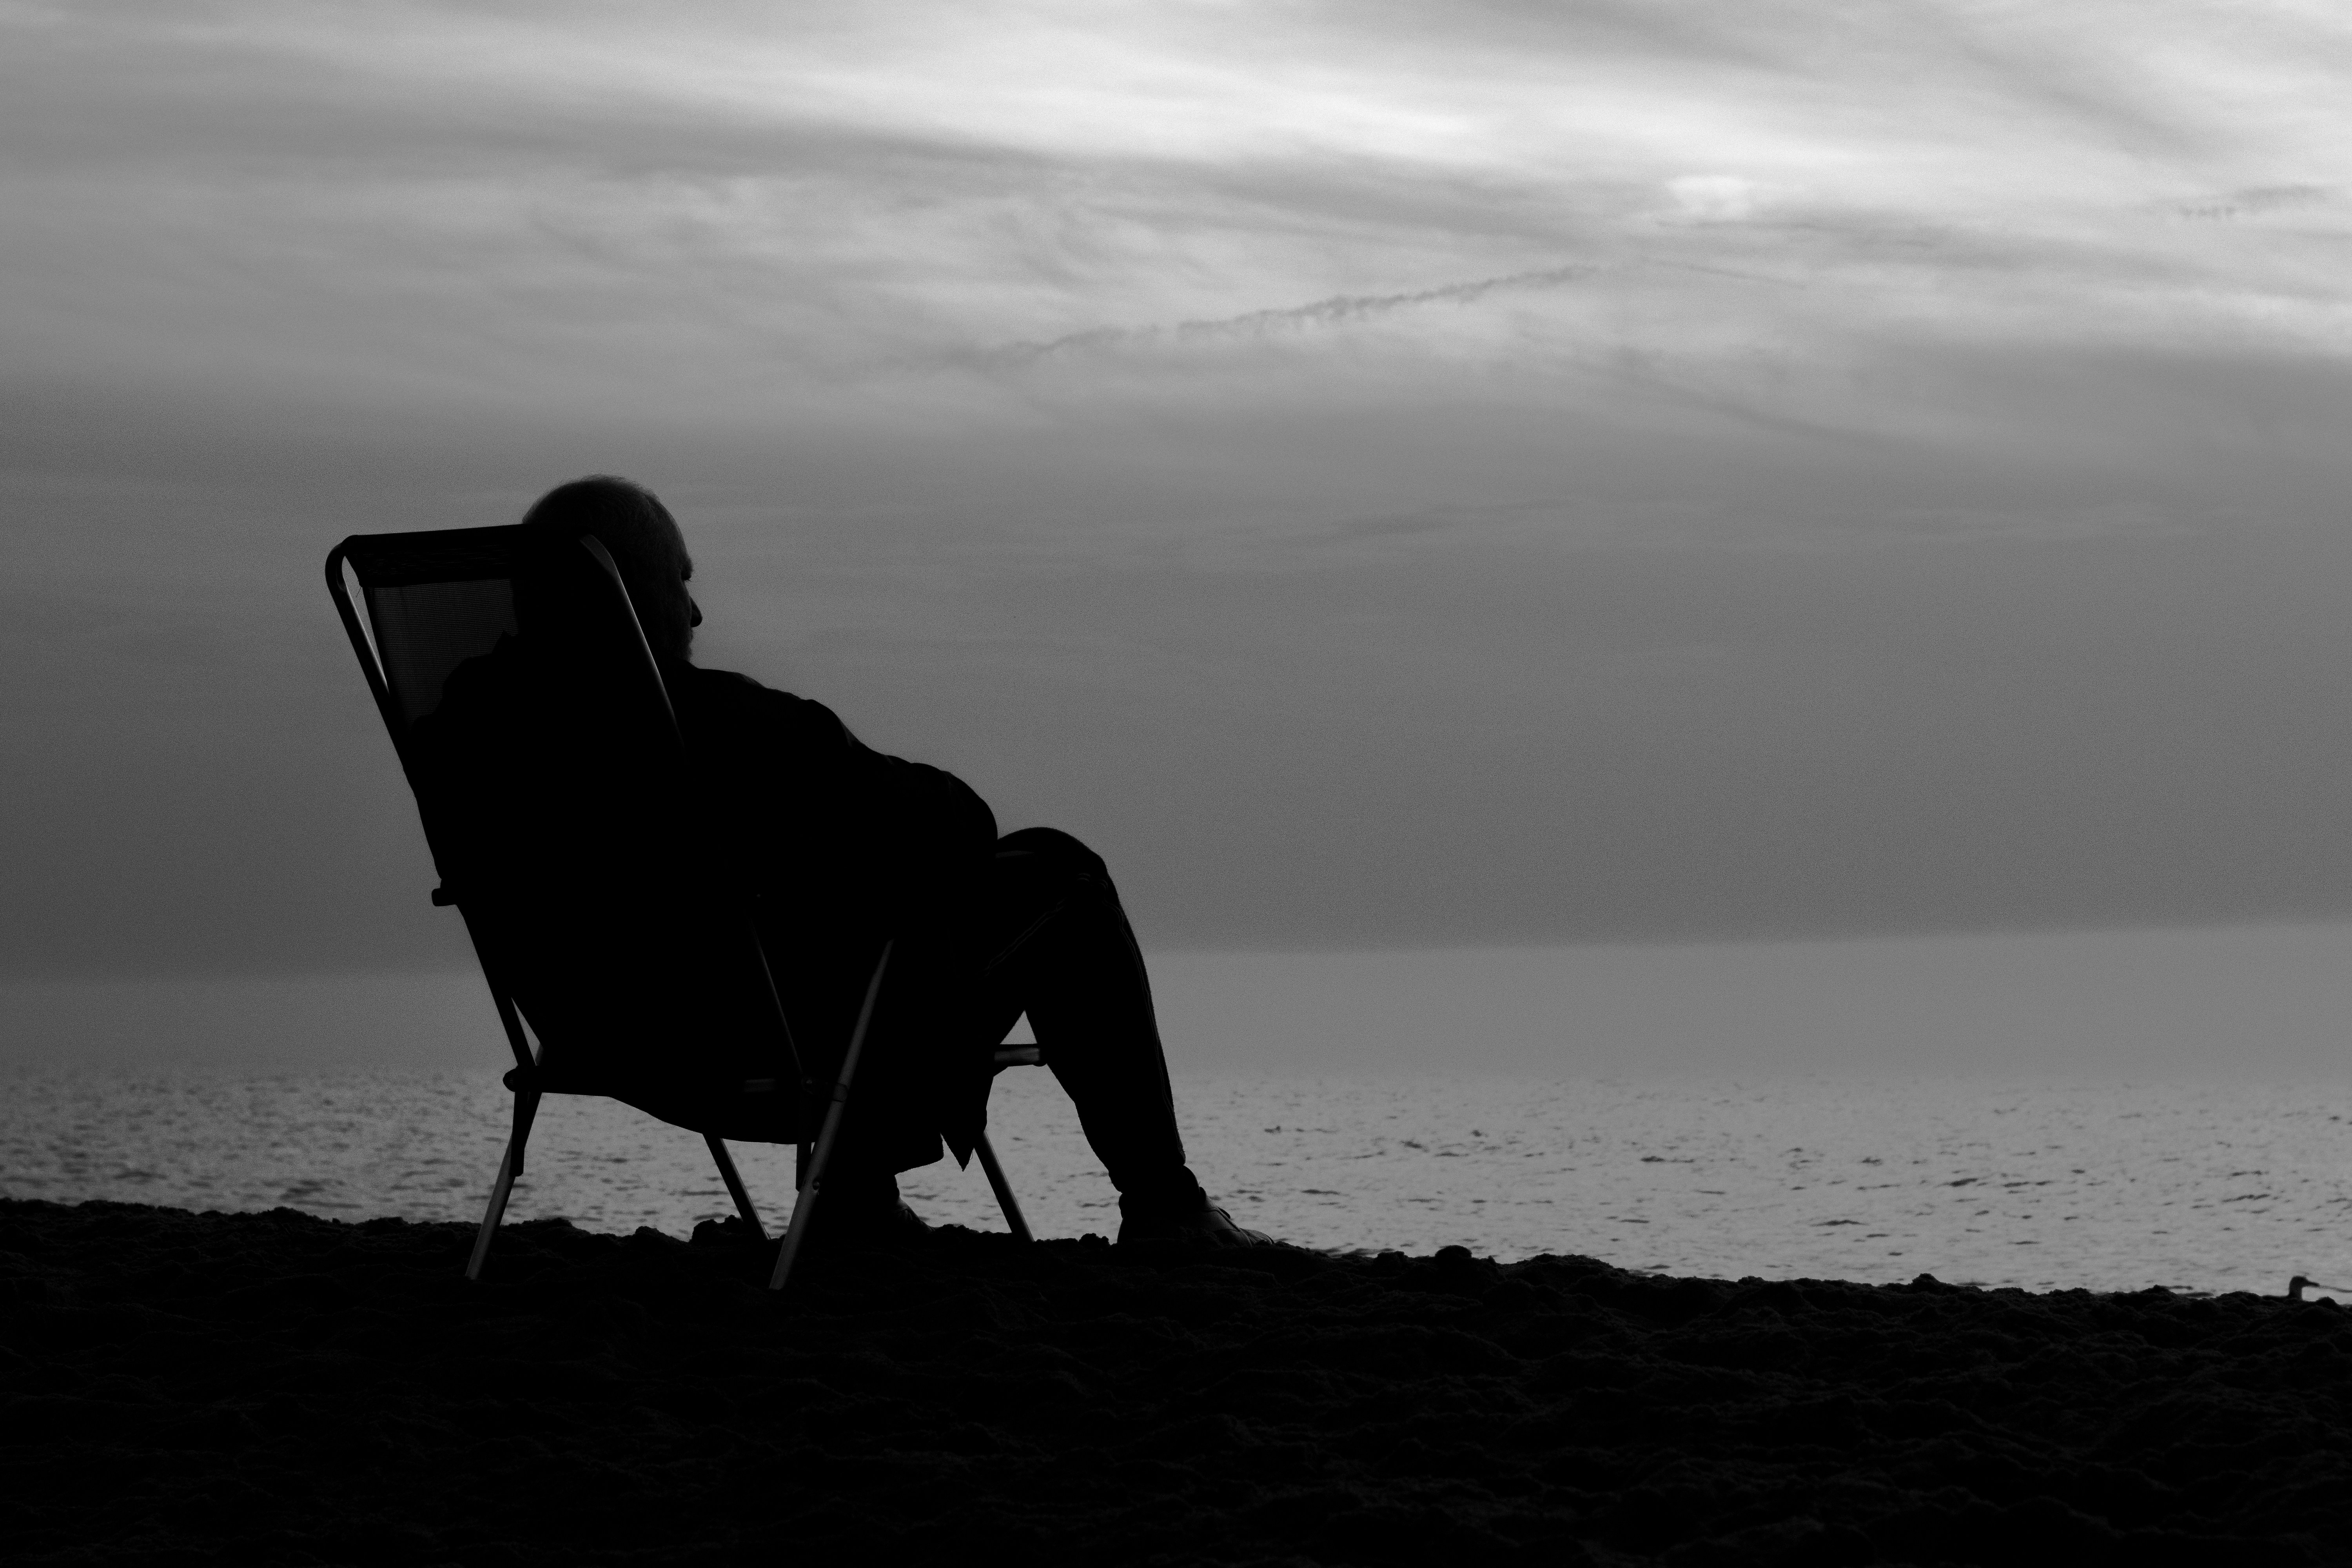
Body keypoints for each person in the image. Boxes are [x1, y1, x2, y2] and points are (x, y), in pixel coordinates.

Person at [513, 475, 1269, 1248]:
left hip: (605, 1038)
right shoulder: (709, 724)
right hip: (743, 1043)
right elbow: (956, 821)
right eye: (682, 583)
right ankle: (1165, 1202)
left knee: (838, 897)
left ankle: (854, 1198)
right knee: (1059, 875)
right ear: (630, 590)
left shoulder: (474, 729)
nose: (699, 612)